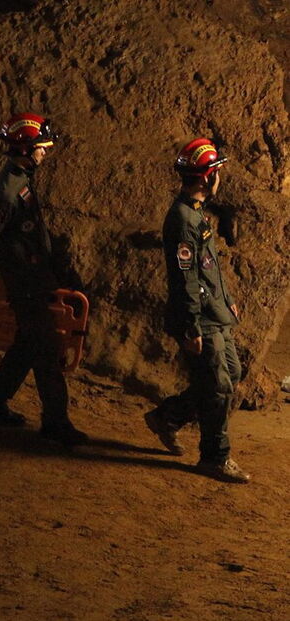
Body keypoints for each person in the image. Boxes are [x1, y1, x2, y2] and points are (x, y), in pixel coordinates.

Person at [0, 113, 88, 446]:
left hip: (33, 280)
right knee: (47, 349)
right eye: (41, 146)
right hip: (25, 285)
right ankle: (56, 422)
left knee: (27, 344)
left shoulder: (21, 178)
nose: (45, 151)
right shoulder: (8, 189)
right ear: (26, 147)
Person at [145, 138, 248, 483]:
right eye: (217, 171)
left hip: (214, 311)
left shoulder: (195, 211)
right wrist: (191, 326)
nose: (220, 177)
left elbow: (209, 266)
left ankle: (168, 417)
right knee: (217, 385)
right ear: (206, 177)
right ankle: (215, 457)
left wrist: (227, 298)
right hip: (200, 317)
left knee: (230, 374)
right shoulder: (183, 218)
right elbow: (186, 278)